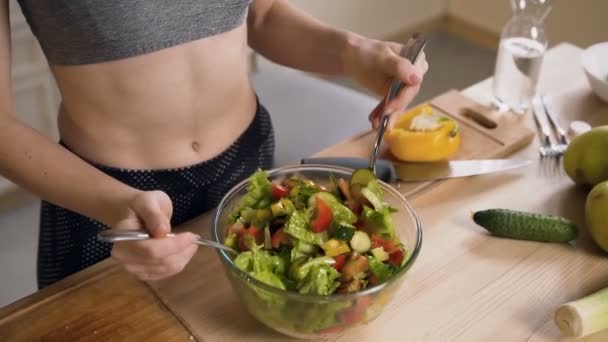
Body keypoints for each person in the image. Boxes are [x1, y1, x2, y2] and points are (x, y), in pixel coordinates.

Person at [0, 0, 428, 289]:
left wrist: (353, 51)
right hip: (104, 197)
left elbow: (260, 16)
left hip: (246, 166)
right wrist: (114, 203)